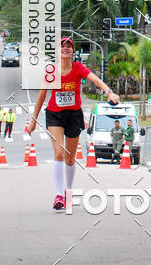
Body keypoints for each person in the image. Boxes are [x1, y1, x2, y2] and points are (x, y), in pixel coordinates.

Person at [29, 37, 120, 210]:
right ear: (57, 51)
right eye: (62, 46)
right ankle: (58, 195)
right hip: (55, 114)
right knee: (59, 154)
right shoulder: (51, 71)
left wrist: (109, 92)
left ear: (72, 51)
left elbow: (95, 80)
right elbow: (41, 96)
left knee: (70, 159)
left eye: (68, 47)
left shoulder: (78, 68)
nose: (65, 49)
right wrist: (33, 121)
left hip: (73, 115)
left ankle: (68, 193)